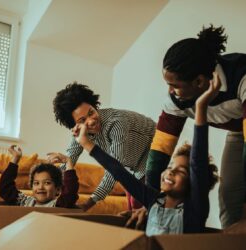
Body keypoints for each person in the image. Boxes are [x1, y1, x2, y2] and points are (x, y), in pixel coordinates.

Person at [73, 76, 220, 235]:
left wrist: (201, 107)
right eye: (171, 167)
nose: (170, 171)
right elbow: (117, 169)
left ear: (194, 182)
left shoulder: (195, 208)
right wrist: (85, 143)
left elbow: (197, 163)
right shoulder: (153, 200)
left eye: (182, 171)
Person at [146, 24, 246, 228]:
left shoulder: (242, 77)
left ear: (200, 81)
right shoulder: (176, 101)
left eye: (175, 86)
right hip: (238, 132)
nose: (171, 92)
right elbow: (158, 155)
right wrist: (149, 203)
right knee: (229, 193)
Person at [53, 82, 156, 211]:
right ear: (75, 125)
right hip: (131, 164)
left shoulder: (117, 123)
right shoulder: (79, 132)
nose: (90, 121)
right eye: (82, 120)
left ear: (94, 106)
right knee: (132, 208)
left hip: (153, 152)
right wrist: (51, 180)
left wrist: (89, 203)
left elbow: (113, 169)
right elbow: (70, 157)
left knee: (139, 205)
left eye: (91, 112)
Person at [0, 145, 79, 208]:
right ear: (31, 187)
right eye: (36, 183)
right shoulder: (25, 202)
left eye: (47, 183)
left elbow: (70, 192)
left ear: (58, 189)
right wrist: (15, 159)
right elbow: (6, 188)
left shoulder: (58, 204)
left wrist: (68, 162)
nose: (40, 187)